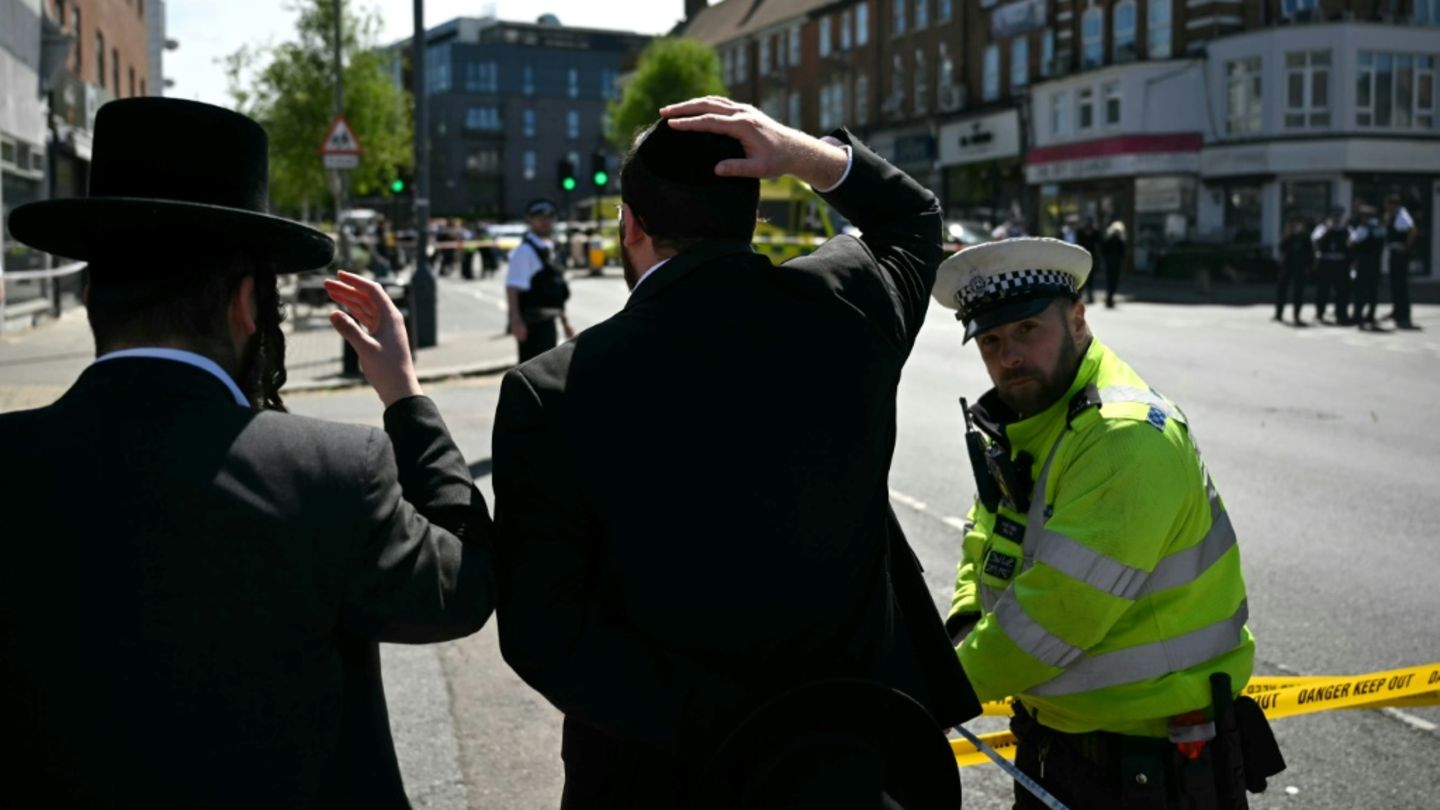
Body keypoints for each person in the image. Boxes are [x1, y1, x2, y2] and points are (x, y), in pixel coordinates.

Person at [0, 98, 496, 808]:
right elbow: (466, 584)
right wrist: (406, 400)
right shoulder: (331, 472)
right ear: (246, 306)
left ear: (87, 296)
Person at [491, 97, 980, 808]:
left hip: (659, 778)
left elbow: (543, 631)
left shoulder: (552, 391)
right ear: (752, 217)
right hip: (847, 763)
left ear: (632, 227)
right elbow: (912, 218)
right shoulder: (846, 303)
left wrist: (721, 724)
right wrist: (802, 153)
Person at [932, 237, 1282, 809]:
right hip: (1061, 743)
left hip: (1148, 767)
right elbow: (988, 535)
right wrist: (964, 623)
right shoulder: (1030, 417)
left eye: (1027, 330)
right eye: (990, 340)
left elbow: (1056, 615)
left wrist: (934, 692)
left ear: (1077, 320)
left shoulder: (1123, 437)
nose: (1009, 356)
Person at [505, 198, 574, 361]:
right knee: (533, 370)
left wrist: (565, 322)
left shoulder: (550, 248)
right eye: (540, 218)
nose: (545, 222)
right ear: (530, 220)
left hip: (548, 322)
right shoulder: (525, 251)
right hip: (532, 325)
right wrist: (516, 322)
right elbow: (512, 287)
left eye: (549, 218)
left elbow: (555, 289)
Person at [1349, 201, 1386, 330]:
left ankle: (1357, 315)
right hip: (1375, 264)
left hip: (1364, 264)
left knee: (1360, 291)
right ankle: (1370, 315)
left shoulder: (1363, 229)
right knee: (1372, 291)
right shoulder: (1380, 229)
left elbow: (1352, 243)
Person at [1383, 194, 1418, 329]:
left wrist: (1406, 248)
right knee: (1395, 283)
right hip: (1394, 252)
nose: (1386, 207)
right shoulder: (1393, 216)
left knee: (1400, 284)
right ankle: (1397, 310)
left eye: (1388, 205)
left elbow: (1413, 231)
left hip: (1400, 254)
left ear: (1393, 205)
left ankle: (1403, 313)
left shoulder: (1402, 215)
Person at [1312, 207, 1352, 325]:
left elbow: (1353, 243)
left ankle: (1341, 314)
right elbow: (1315, 241)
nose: (1336, 219)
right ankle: (1320, 312)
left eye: (1339, 217)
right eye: (1334, 216)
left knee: (1342, 291)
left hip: (1341, 263)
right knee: (1323, 290)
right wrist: (1328, 230)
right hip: (1326, 262)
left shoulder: (1347, 229)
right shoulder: (1322, 228)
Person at [1275, 217, 1313, 326]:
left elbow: (1310, 253)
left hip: (1300, 268)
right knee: (1281, 291)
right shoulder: (1288, 237)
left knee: (1298, 293)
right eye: (1292, 225)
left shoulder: (1305, 237)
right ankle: (1279, 314)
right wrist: (1288, 235)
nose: (1294, 227)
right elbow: (1281, 249)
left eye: (1296, 225)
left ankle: (1297, 315)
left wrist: (1308, 267)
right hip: (1287, 267)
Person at [1100, 219, 1126, 308]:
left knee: (1110, 280)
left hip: (1109, 262)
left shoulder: (1109, 239)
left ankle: (1109, 298)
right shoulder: (1119, 241)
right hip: (1115, 262)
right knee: (1113, 281)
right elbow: (1122, 253)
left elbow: (1103, 250)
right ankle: (1110, 298)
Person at [1075, 216, 1101, 305]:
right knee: (1088, 278)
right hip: (1088, 256)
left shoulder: (1081, 231)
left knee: (1084, 277)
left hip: (1084, 256)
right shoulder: (1094, 232)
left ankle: (1082, 296)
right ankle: (1086, 296)